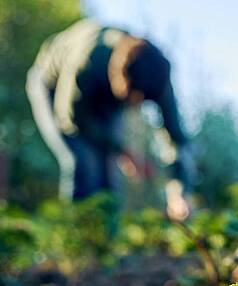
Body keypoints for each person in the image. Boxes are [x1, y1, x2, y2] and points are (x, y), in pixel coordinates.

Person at [26, 19, 193, 221]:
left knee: (110, 174)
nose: (136, 105)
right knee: (82, 162)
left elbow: (175, 137)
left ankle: (105, 241)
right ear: (120, 78)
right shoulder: (86, 62)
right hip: (53, 88)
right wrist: (120, 150)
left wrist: (177, 191)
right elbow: (71, 120)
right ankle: (76, 238)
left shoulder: (156, 76)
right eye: (132, 99)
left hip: (102, 100)